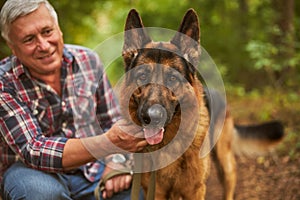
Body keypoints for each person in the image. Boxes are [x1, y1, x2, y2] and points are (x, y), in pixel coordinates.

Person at [0, 0, 147, 199]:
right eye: (29, 39)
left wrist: (118, 161)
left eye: (47, 31)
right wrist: (108, 143)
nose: (43, 45)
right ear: (12, 47)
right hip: (32, 172)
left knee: (138, 189)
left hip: (93, 170)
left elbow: (111, 120)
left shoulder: (88, 60)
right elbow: (33, 150)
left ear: (59, 30)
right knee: (40, 193)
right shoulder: (4, 82)